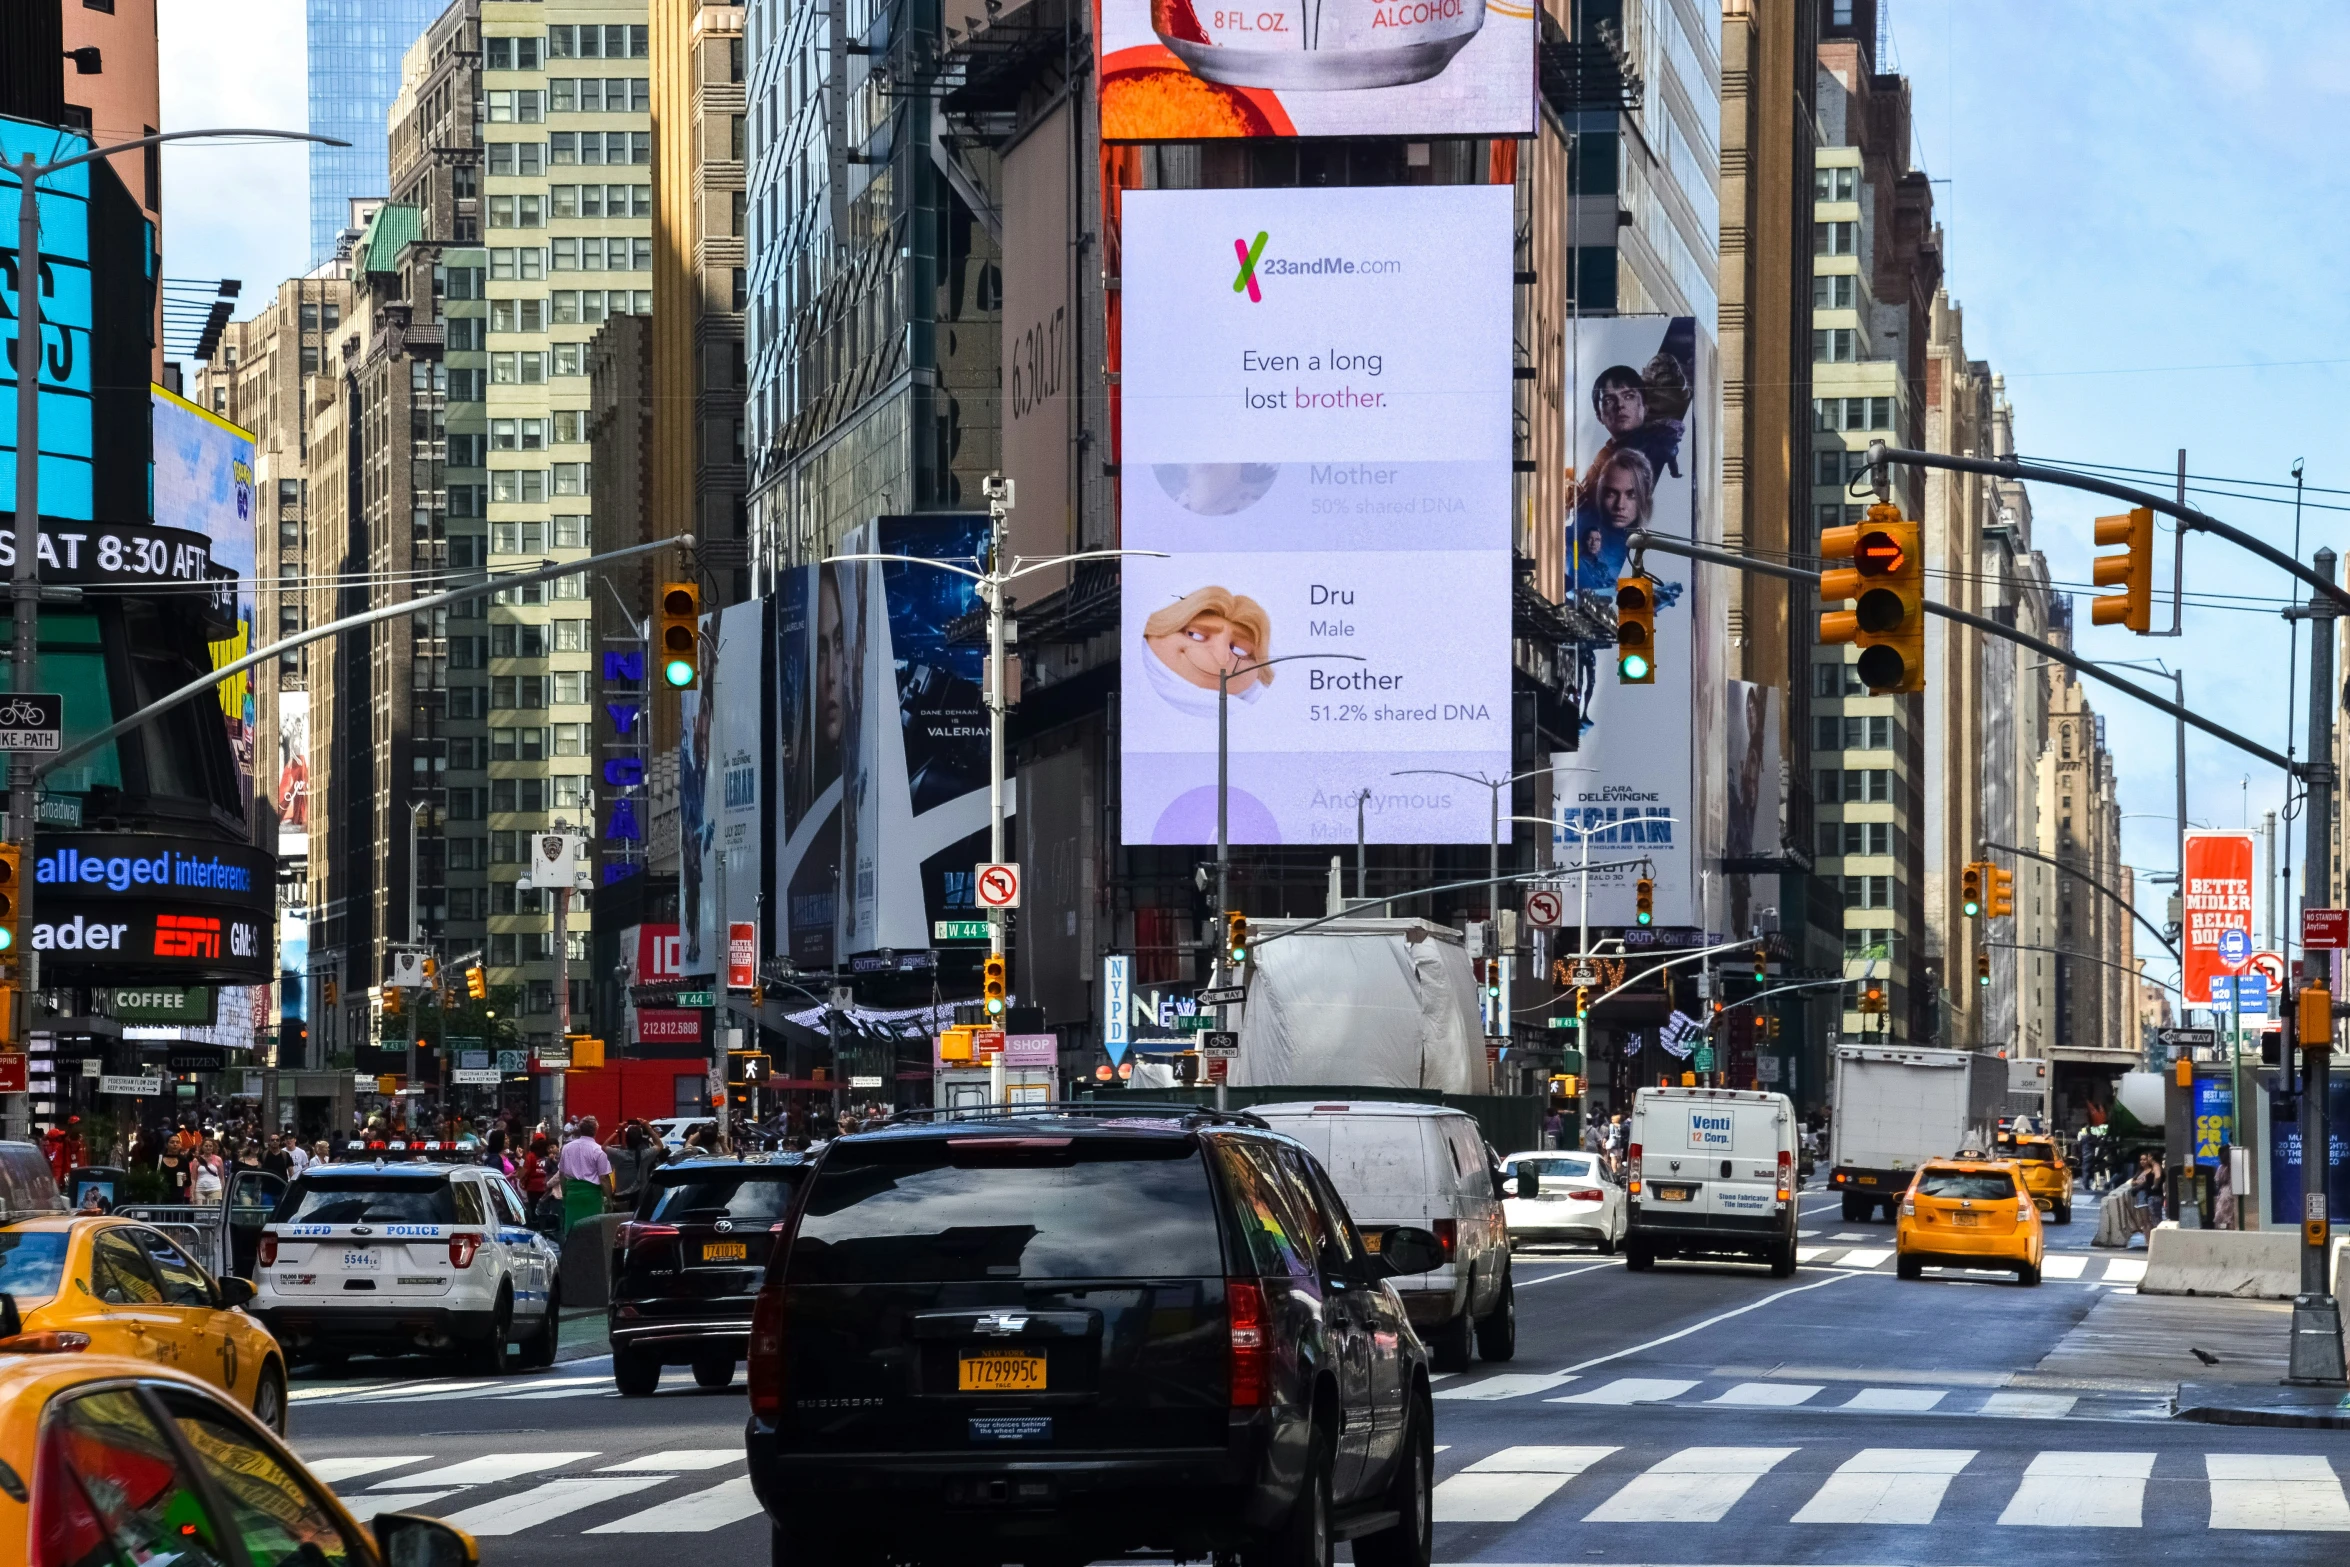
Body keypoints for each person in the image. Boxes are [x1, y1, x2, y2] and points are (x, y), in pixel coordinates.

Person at [558, 1115, 614, 1235]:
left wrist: (564, 1194)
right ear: (596, 1130)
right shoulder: (598, 1151)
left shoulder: (566, 1148)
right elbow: (604, 1178)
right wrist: (609, 1199)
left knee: (572, 1230)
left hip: (572, 1194)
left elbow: (562, 1174)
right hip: (592, 1196)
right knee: (592, 1231)